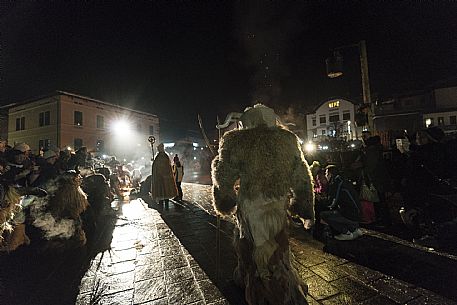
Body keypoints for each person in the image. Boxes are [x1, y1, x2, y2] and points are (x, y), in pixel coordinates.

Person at [212, 104, 314, 305]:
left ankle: (271, 296)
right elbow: (302, 176)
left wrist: (225, 201)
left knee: (256, 251)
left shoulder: (234, 140)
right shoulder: (288, 140)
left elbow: (223, 176)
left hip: (251, 207)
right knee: (276, 248)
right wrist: (304, 206)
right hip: (277, 205)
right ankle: (273, 286)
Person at [320, 165, 363, 241]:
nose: (326, 176)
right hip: (357, 212)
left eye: (326, 174)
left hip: (352, 214)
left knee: (324, 215)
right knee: (339, 211)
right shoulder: (343, 180)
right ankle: (354, 229)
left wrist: (320, 200)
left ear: (331, 174)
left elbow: (331, 204)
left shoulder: (336, 183)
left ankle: (346, 233)